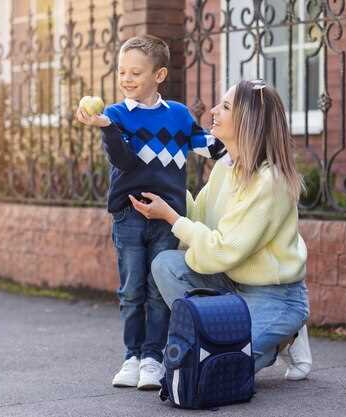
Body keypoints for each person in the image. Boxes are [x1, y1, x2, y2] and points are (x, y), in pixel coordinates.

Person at [129, 79, 313, 379]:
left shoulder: (269, 182)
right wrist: (165, 184)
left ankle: (285, 334)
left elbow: (224, 249)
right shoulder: (227, 167)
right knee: (167, 265)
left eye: (225, 107)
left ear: (248, 121)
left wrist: (173, 219)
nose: (213, 110)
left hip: (274, 294)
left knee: (216, 372)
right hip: (231, 281)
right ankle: (214, 333)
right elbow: (200, 217)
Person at [75, 35, 225, 390]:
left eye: (135, 73)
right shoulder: (114, 115)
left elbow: (210, 146)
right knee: (131, 290)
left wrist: (240, 133)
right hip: (128, 216)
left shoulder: (177, 115)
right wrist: (107, 129)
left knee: (158, 289)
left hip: (166, 216)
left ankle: (152, 359)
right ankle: (130, 356)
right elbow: (124, 162)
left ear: (158, 75)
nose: (126, 79)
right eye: (122, 71)